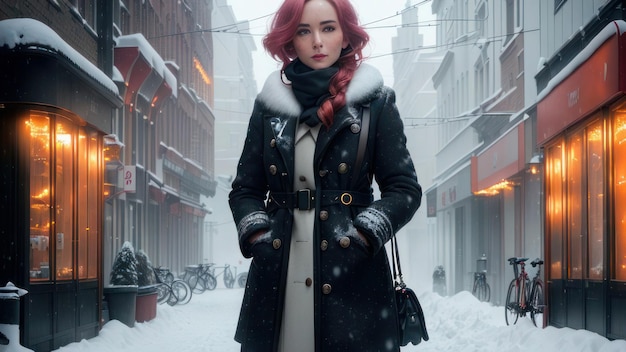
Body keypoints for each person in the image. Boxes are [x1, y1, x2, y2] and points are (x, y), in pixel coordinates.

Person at [229, 0, 422, 350]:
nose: (317, 40)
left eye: (328, 28)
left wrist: (365, 232)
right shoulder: (268, 106)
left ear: (346, 36)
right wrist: (258, 234)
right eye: (304, 30)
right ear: (291, 40)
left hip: (352, 277)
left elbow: (404, 188)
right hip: (278, 275)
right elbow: (245, 188)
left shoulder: (375, 103)